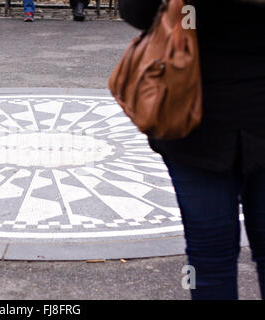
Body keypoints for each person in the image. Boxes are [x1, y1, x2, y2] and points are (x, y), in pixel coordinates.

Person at [118, 0, 265, 300]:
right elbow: (135, 11)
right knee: (208, 259)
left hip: (197, 120)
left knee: (209, 261)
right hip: (192, 124)